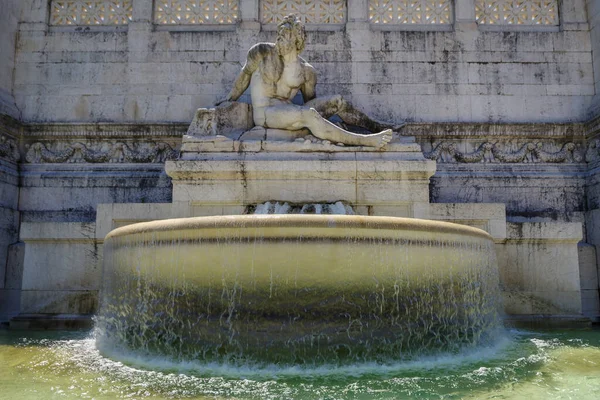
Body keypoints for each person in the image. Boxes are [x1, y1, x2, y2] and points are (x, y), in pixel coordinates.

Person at [217, 14, 399, 148]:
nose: (279, 38)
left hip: (289, 111)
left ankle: (376, 127)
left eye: (285, 35)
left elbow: (310, 103)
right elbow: (244, 77)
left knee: (337, 102)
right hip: (266, 113)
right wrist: (228, 100)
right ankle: (365, 141)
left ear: (297, 40)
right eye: (279, 34)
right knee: (309, 115)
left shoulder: (307, 72)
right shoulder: (261, 52)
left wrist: (323, 116)